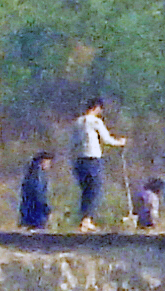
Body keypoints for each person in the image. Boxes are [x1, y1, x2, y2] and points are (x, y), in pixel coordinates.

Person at [69, 97, 126, 231]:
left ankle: (85, 218)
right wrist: (120, 142)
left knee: (86, 190)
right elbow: (106, 139)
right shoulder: (95, 121)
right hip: (92, 158)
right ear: (96, 107)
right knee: (95, 188)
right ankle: (86, 220)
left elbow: (73, 143)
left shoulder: (77, 122)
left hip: (79, 159)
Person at [18, 151, 55, 230]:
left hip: (28, 212)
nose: (49, 165)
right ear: (42, 161)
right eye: (48, 162)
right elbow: (39, 194)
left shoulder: (31, 173)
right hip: (36, 213)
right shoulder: (38, 175)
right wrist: (46, 208)